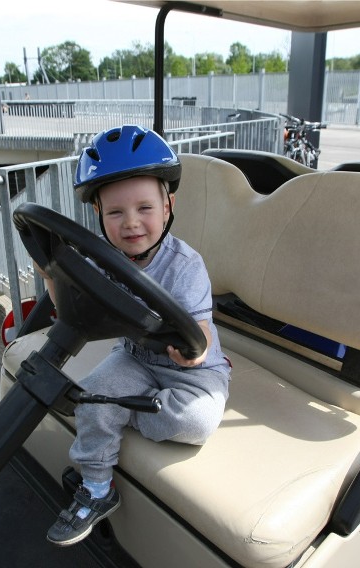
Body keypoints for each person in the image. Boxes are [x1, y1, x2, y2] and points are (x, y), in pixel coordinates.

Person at [34, 124, 232, 546]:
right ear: (98, 217)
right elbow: (68, 304)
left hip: (192, 371)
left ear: (167, 206)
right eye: (115, 213)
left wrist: (194, 351)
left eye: (145, 208)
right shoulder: (101, 260)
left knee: (196, 421)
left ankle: (115, 408)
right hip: (135, 359)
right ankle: (96, 489)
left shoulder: (186, 264)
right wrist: (52, 273)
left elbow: (200, 328)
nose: (131, 224)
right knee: (91, 396)